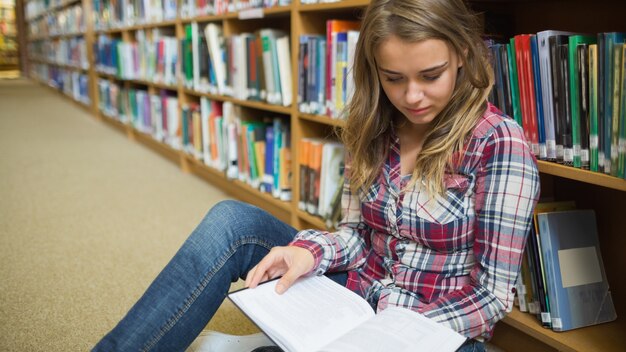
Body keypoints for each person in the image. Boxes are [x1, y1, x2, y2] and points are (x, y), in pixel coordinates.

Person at [93, 0, 540, 351]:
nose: (412, 96)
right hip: (354, 294)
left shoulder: (499, 143)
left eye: (430, 75)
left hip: (430, 327)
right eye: (394, 78)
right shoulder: (374, 125)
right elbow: (356, 235)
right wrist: (309, 253)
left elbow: (490, 298)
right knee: (232, 223)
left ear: (462, 53)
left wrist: (384, 328)